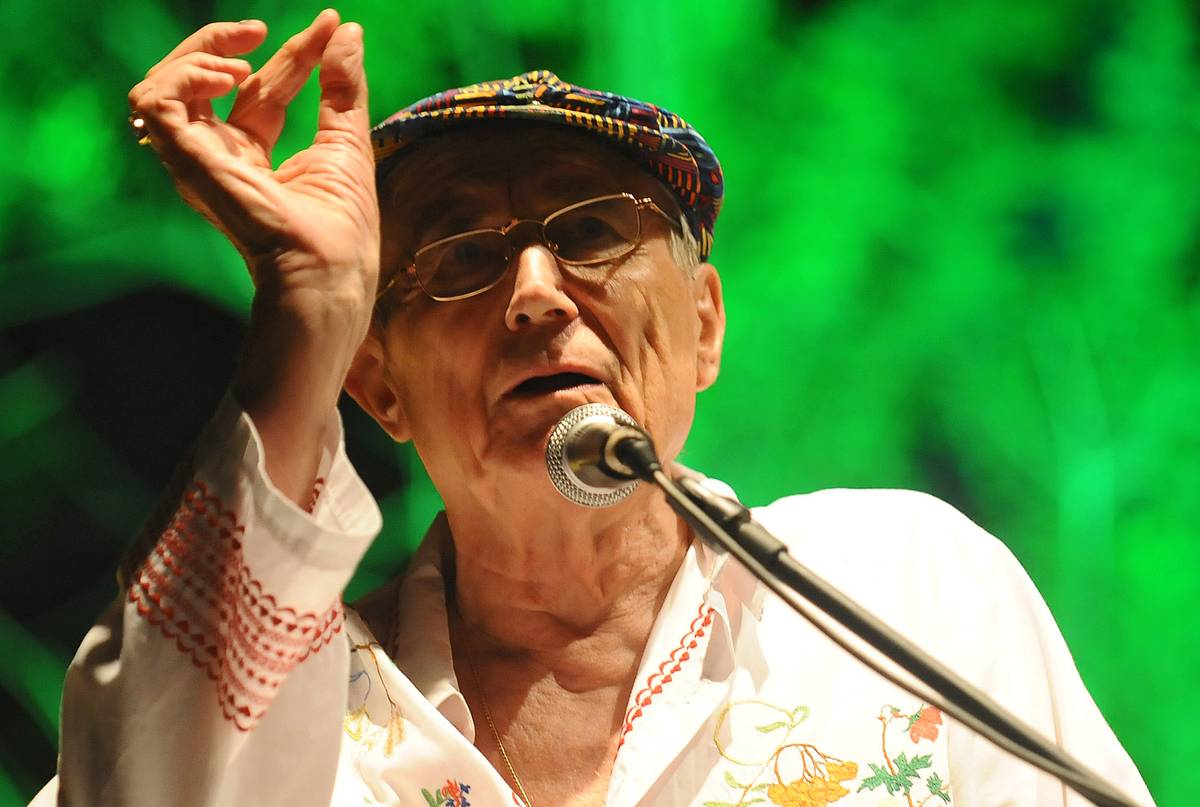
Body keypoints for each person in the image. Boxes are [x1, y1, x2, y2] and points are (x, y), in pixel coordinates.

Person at [35, 10, 1154, 807]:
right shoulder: (277, 709)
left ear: (705, 327)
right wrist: (309, 310)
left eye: (586, 233)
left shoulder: (907, 590)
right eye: (463, 255)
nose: (532, 293)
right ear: (376, 382)